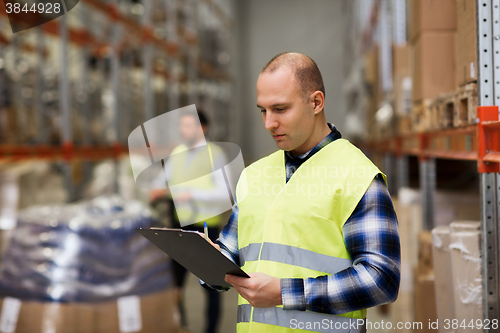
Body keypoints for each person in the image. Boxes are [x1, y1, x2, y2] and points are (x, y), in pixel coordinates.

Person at [204, 52, 401, 333]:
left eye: (280, 109)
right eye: (263, 110)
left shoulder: (356, 175)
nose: (268, 123)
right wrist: (205, 260)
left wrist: (285, 293)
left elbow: (382, 280)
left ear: (316, 102)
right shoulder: (254, 174)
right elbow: (232, 254)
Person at [151, 110, 226, 333]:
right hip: (179, 227)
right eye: (181, 126)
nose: (183, 131)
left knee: (211, 286)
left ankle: (211, 330)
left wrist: (191, 194)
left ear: (202, 128)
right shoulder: (177, 152)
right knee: (174, 285)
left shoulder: (215, 154)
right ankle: (180, 327)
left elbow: (224, 194)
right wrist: (155, 189)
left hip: (206, 228)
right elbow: (161, 181)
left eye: (188, 126)